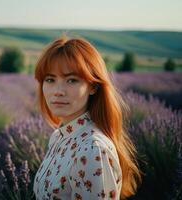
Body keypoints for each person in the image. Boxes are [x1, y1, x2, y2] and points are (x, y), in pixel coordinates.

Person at [33, 35, 141, 200]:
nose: (58, 91)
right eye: (50, 79)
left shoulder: (92, 149)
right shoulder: (59, 137)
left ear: (93, 86)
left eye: (71, 80)